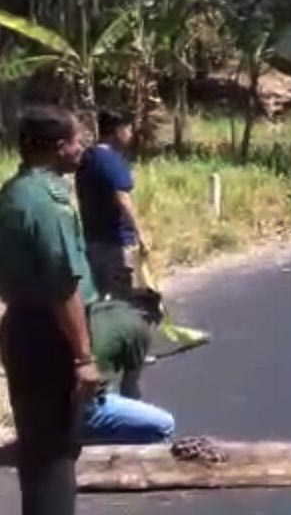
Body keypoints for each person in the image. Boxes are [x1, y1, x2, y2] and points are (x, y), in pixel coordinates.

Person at [0, 105, 103, 515]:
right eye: (77, 141)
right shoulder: (48, 204)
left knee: (37, 452)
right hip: (49, 337)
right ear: (57, 148)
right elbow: (64, 286)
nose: (82, 150)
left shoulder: (13, 191)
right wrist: (83, 357)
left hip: (21, 328)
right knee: (55, 458)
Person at [75, 110, 148, 301]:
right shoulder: (111, 161)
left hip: (93, 240)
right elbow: (122, 198)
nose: (131, 134)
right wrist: (140, 232)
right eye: (129, 129)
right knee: (123, 298)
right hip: (116, 242)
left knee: (101, 297)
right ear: (118, 130)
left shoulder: (88, 157)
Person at [81, 300, 174, 445]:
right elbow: (130, 389)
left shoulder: (98, 308)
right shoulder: (140, 326)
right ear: (149, 316)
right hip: (79, 409)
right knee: (165, 425)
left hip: (47, 397)